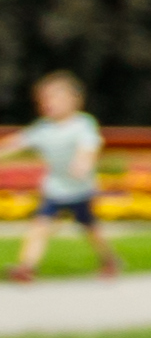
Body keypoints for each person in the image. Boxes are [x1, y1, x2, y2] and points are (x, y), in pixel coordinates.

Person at [15, 74, 113, 286]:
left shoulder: (82, 124)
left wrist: (83, 162)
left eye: (55, 99)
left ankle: (108, 260)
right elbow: (17, 142)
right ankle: (27, 267)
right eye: (45, 100)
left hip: (80, 189)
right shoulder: (43, 129)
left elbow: (89, 145)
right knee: (40, 225)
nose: (49, 104)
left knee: (90, 229)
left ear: (74, 101)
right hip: (55, 189)